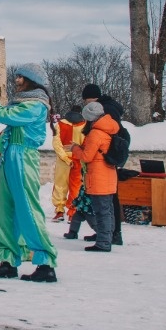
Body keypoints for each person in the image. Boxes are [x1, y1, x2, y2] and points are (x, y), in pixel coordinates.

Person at [0, 63, 58, 283]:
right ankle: (8, 260)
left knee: (27, 209)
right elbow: (2, 123)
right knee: (4, 210)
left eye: (20, 77)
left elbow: (3, 114)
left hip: (24, 158)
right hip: (10, 156)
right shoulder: (23, 103)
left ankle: (45, 263)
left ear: (30, 80)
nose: (15, 80)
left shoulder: (35, 105)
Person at [63, 101, 118, 252]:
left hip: (98, 177)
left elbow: (87, 157)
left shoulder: (95, 133)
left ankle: (103, 242)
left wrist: (75, 148)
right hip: (107, 175)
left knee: (101, 212)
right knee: (107, 210)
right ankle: (107, 238)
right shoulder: (107, 130)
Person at [81, 83, 125, 245]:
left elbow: (108, 136)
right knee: (107, 203)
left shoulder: (103, 111)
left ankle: (110, 235)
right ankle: (106, 233)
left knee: (106, 204)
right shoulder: (105, 109)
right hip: (107, 160)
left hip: (104, 161)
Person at [52, 106, 85, 222]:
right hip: (78, 158)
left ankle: (60, 211)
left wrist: (65, 158)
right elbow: (85, 144)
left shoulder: (60, 124)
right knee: (76, 186)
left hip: (63, 159)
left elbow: (56, 144)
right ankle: (73, 212)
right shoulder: (84, 125)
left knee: (60, 185)